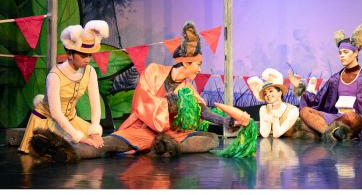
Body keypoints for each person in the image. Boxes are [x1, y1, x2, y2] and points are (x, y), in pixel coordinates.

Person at [30, 21, 236, 161]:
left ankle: (167, 147)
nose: (200, 69)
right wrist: (170, 105)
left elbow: (202, 111)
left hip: (170, 134)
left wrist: (226, 121)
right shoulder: (154, 71)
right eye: (197, 64)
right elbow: (141, 103)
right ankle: (64, 150)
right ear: (185, 63)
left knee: (211, 139)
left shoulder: (188, 87)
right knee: (108, 144)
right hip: (143, 128)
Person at [18, 20, 109, 160]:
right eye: (83, 55)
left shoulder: (90, 72)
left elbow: (95, 104)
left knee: (96, 143)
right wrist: (79, 137)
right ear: (70, 54)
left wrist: (95, 130)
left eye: (90, 55)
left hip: (71, 119)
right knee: (58, 150)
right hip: (48, 120)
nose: (87, 59)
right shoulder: (55, 76)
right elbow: (56, 114)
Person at [288, 24, 362, 142]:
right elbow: (317, 101)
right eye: (340, 53)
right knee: (305, 111)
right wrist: (298, 87)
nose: (342, 55)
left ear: (355, 53)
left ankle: (325, 130)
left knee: (351, 116)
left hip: (356, 119)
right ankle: (330, 133)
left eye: (345, 52)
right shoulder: (334, 79)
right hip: (335, 117)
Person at [247, 68, 299, 138]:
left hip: (290, 144)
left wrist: (275, 114)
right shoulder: (263, 109)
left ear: (280, 92)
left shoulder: (292, 110)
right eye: (265, 94)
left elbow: (276, 134)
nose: (268, 94)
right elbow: (264, 134)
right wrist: (269, 112)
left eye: (271, 91)